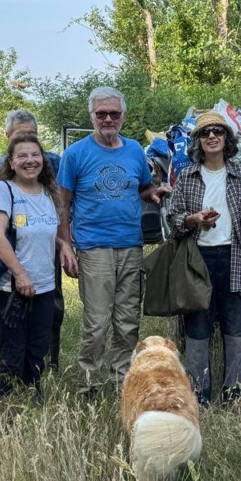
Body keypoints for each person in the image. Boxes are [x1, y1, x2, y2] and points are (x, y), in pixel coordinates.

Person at [57, 86, 170, 394]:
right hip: (94, 248)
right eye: (101, 114)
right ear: (91, 116)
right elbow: (62, 204)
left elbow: (142, 189)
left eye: (114, 113)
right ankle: (88, 383)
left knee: (128, 320)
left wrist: (154, 192)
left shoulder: (134, 149)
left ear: (124, 116)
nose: (108, 119)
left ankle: (121, 381)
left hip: (131, 246)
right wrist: (65, 244)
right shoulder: (76, 154)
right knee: (96, 323)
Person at [165, 110, 241, 405]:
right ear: (198, 142)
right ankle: (198, 397)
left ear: (227, 139)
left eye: (218, 131)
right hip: (198, 259)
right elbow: (173, 219)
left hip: (235, 257)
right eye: (205, 133)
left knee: (236, 329)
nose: (212, 136)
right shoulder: (187, 176)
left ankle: (235, 395)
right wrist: (194, 220)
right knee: (198, 330)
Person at [0, 133, 68, 398]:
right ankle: (7, 407)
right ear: (11, 161)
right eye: (22, 156)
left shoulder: (48, 192)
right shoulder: (3, 189)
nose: (30, 161)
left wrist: (63, 244)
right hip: (9, 289)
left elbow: (40, 229)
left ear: (42, 158)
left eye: (35, 154)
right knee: (12, 352)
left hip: (42, 286)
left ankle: (32, 400)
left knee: (37, 348)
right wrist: (20, 275)